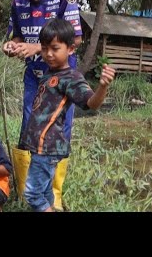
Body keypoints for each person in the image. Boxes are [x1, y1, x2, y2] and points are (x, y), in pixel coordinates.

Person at [1, 0, 82, 211]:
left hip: (59, 80)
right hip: (34, 78)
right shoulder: (17, 3)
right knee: (29, 129)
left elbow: (76, 40)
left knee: (58, 130)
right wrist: (12, 46)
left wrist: (37, 48)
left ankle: (54, 193)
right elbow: (16, 36)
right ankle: (28, 188)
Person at [21, 19, 115, 212]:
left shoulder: (71, 78)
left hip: (47, 147)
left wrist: (103, 86)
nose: (48, 54)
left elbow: (91, 104)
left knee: (32, 194)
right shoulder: (49, 73)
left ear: (71, 49)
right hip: (41, 147)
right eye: (45, 48)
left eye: (55, 48)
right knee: (46, 192)